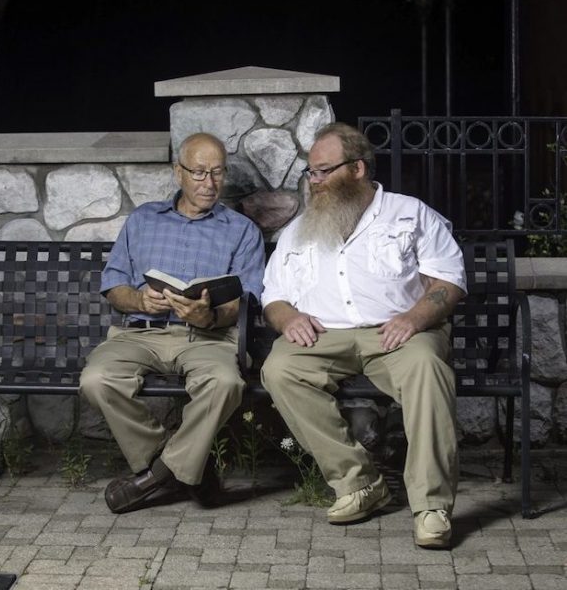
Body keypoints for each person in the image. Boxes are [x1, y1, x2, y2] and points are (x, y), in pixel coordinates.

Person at [260, 122, 466, 549]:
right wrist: (286, 319)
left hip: (398, 332)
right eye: (311, 173)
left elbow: (448, 281)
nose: (314, 182)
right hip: (325, 336)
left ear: (356, 169)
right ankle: (360, 482)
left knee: (428, 370)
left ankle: (431, 507)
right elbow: (274, 296)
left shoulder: (410, 214)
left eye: (323, 171)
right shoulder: (300, 229)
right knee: (279, 369)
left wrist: (415, 317)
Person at [80, 132, 265, 513]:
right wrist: (138, 299)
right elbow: (113, 284)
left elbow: (247, 301)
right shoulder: (143, 220)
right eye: (199, 173)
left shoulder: (241, 230)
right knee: (95, 380)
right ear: (178, 172)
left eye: (217, 173)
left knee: (226, 383)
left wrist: (210, 314)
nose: (209, 183)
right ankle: (185, 465)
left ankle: (156, 475)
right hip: (140, 333)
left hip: (206, 338)